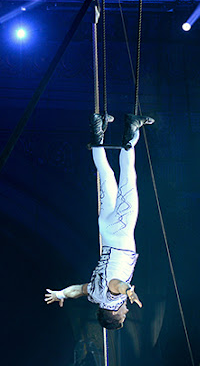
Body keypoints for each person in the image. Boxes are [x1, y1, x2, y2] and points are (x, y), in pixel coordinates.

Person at [44, 112, 154, 330]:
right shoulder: (95, 296)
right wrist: (61, 294)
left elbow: (116, 284)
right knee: (106, 177)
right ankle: (96, 128)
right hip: (106, 230)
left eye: (123, 317)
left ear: (114, 315)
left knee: (128, 178)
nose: (126, 312)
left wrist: (128, 291)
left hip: (121, 234)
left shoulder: (114, 299)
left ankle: (131, 128)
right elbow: (78, 290)